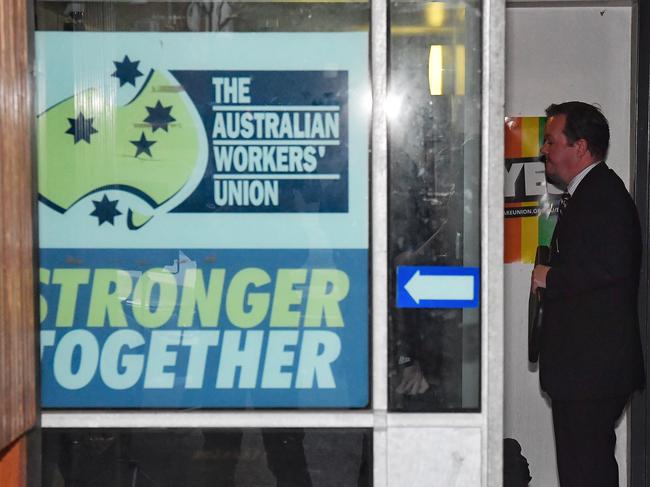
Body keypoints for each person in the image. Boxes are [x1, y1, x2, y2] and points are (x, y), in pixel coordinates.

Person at [531, 101, 645, 486]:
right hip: (582, 371)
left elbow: (611, 268)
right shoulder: (588, 194)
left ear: (579, 147)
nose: (544, 150)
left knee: (587, 473)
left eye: (551, 141)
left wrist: (550, 278)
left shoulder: (604, 196)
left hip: (592, 373)